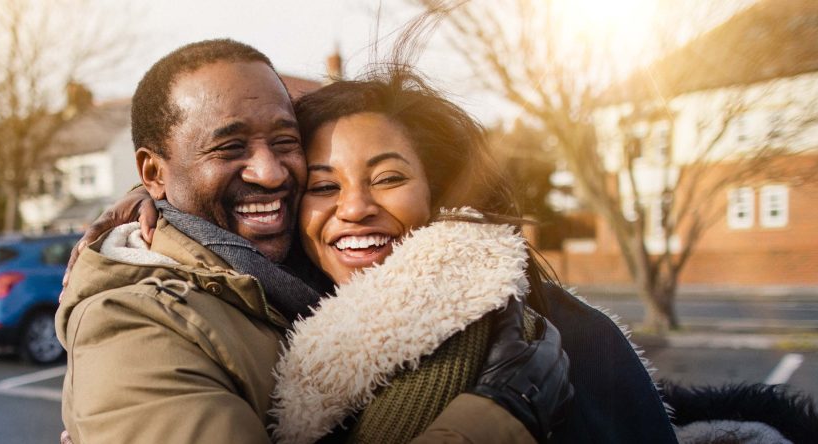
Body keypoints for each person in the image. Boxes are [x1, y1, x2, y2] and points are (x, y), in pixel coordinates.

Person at [86, 67, 680, 442]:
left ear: (436, 190)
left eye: (388, 177)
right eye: (323, 185)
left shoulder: (558, 336)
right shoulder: (277, 303)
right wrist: (163, 201)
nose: (355, 207)